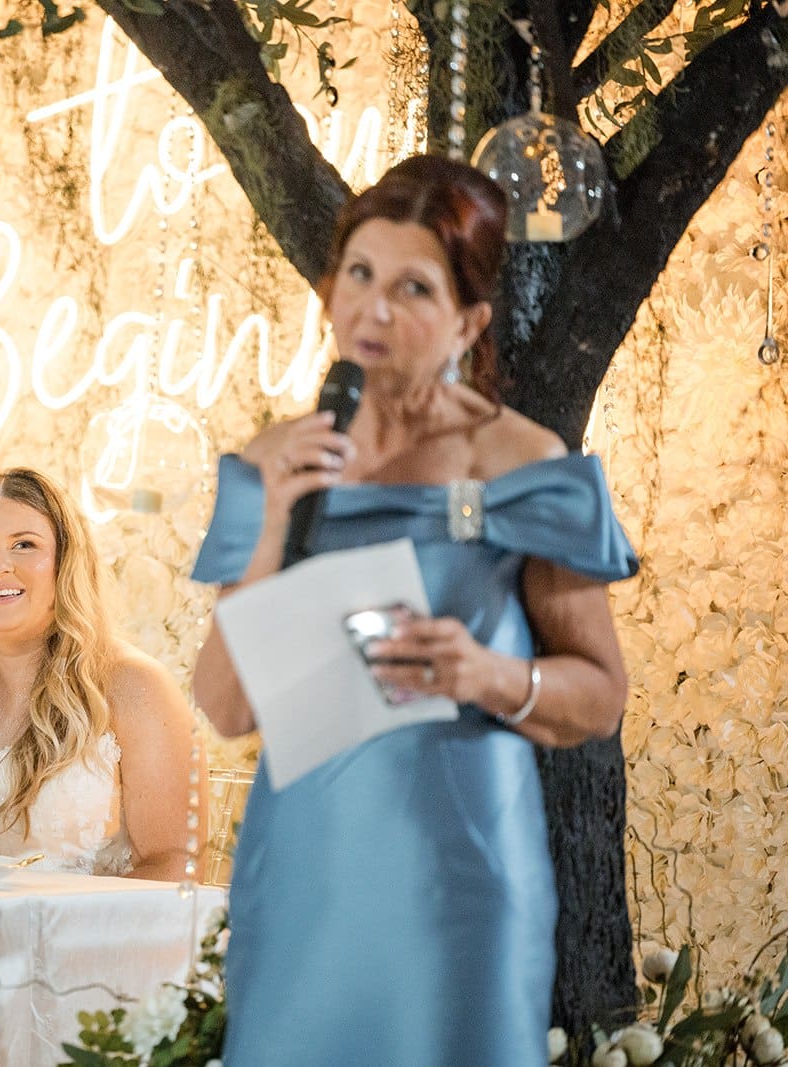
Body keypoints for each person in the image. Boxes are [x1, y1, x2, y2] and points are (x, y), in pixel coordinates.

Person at [190, 156, 638, 1065]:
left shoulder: (520, 460)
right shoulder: (271, 456)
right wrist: (274, 518)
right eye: (358, 273)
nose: (374, 309)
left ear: (470, 320)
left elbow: (601, 693)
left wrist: (488, 674)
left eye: (412, 287)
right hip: (304, 869)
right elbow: (227, 705)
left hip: (461, 878)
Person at [0, 467, 204, 880]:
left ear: (65, 561)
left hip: (82, 940)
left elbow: (177, 863)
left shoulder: (134, 687)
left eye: (24, 545)